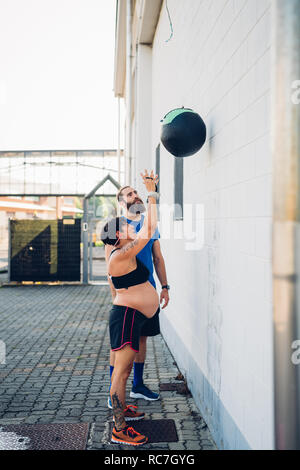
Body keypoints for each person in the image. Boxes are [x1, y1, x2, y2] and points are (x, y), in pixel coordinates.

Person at [101, 170, 160, 446]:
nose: (128, 228)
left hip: (131, 315)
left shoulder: (123, 250)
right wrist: (152, 195)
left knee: (124, 371)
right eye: (123, 228)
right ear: (118, 236)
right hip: (124, 316)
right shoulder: (121, 254)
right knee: (122, 372)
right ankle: (119, 429)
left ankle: (123, 410)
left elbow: (146, 232)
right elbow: (147, 231)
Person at [105, 179, 170, 408]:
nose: (135, 195)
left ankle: (138, 386)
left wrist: (164, 286)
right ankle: (116, 390)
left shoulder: (144, 225)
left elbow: (158, 258)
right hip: (127, 302)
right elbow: (110, 269)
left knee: (141, 341)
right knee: (121, 349)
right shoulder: (118, 229)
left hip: (147, 293)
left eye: (135, 192)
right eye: (129, 194)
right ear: (122, 203)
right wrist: (116, 297)